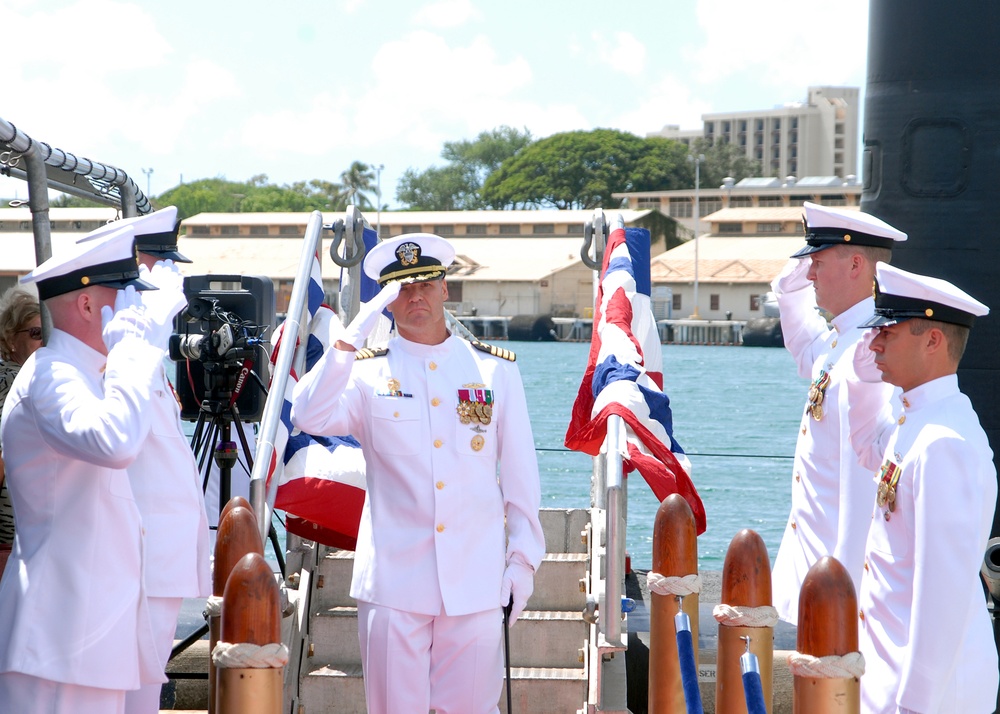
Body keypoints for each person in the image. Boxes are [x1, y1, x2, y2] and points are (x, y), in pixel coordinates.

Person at [291, 233, 545, 714]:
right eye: (400, 289)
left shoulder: (494, 373)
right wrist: (353, 334)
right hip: (393, 584)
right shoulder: (365, 374)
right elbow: (307, 416)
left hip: (474, 578)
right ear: (387, 301)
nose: (415, 297)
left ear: (444, 288)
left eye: (424, 284)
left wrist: (522, 562)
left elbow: (520, 479)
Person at [0, 224, 183, 714]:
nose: (135, 309)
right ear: (86, 306)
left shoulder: (82, 373)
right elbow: (116, 442)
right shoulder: (51, 375)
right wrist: (133, 349)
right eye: (124, 296)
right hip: (59, 638)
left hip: (88, 633)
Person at [77, 206, 212, 714]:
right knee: (121, 692)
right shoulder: (109, 359)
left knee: (143, 690)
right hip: (134, 559)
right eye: (155, 265)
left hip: (158, 560)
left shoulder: (144, 354)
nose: (167, 279)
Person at [847, 263, 998, 713]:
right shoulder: (913, 419)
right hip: (887, 678)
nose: (873, 341)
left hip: (929, 696)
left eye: (887, 332)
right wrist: (861, 373)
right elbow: (863, 448)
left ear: (933, 340)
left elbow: (943, 598)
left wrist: (913, 706)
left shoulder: (944, 444)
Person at [769, 202, 907, 624]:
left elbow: (867, 487)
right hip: (806, 569)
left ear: (856, 265)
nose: (809, 273)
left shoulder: (873, 356)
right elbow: (802, 341)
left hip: (832, 585)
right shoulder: (840, 342)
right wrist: (791, 286)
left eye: (818, 262)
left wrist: (843, 597)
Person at [0, 287, 42, 556]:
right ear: (11, 340)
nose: (45, 341)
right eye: (37, 334)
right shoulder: (13, 382)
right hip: (13, 535)